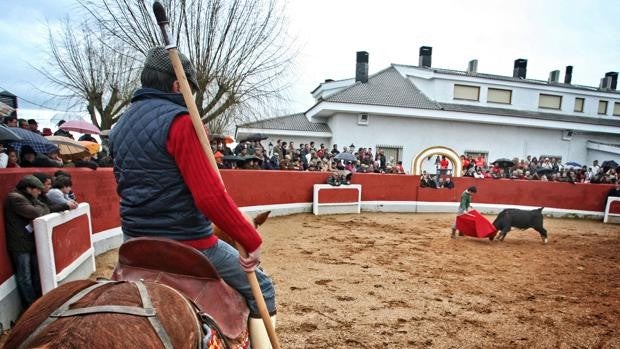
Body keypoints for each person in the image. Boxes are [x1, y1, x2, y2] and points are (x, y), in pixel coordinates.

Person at [109, 46, 276, 346]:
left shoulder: (119, 126)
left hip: (134, 243)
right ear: (177, 86)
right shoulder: (181, 122)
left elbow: (123, 182)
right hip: (188, 243)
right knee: (263, 288)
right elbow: (210, 197)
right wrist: (250, 240)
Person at [4, 176, 49, 308]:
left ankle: (36, 302)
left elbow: (45, 208)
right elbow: (37, 212)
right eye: (37, 190)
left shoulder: (27, 197)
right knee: (25, 276)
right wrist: (39, 206)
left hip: (26, 240)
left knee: (33, 273)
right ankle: (32, 305)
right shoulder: (16, 198)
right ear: (29, 189)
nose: (40, 193)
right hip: (20, 243)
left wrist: (39, 206)